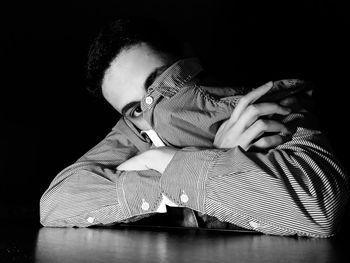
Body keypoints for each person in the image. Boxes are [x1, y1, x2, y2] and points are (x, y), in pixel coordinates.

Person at [40, 18, 348, 238]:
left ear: (188, 57)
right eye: (136, 108)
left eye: (160, 84)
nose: (154, 111)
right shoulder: (136, 131)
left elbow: (318, 204)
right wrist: (209, 157)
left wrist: (160, 161)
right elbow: (57, 203)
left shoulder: (259, 108)